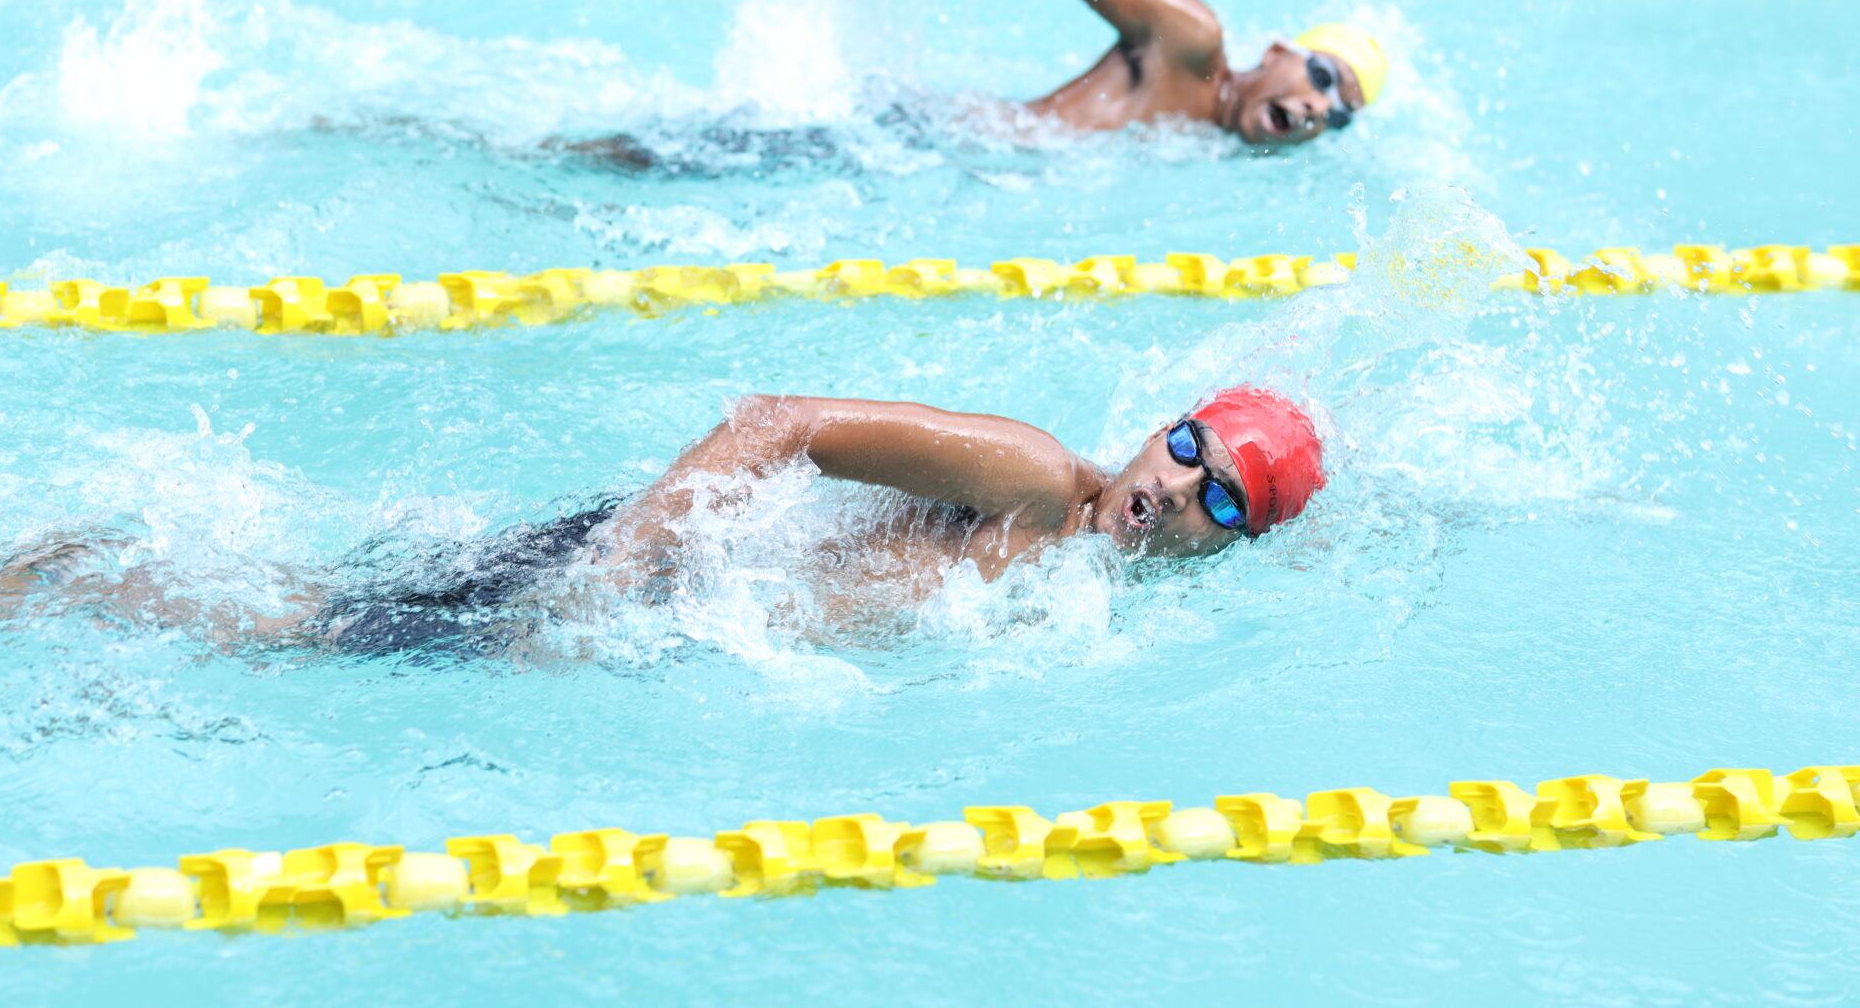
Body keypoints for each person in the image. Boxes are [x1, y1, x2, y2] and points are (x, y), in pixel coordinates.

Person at [322, 385, 1326, 655]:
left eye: (1221, 499)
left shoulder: (1098, 600)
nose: (1181, 487)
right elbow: (777, 423)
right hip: (650, 577)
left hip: (676, 631)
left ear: (1230, 548)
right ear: (1160, 431)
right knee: (298, 625)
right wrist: (619, 569)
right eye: (1189, 449)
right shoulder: (1032, 481)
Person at [796, 0, 1389, 145]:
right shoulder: (1189, 41)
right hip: (919, 137)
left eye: (1338, 115)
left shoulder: (1214, 150)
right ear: (1278, 51)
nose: (1318, 107)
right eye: (1323, 77)